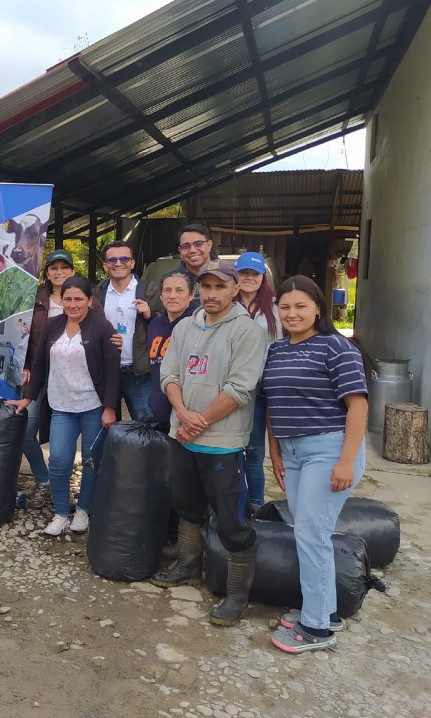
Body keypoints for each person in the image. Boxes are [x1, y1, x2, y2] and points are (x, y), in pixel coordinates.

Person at [152, 259, 264, 626]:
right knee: (187, 506)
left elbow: (240, 389)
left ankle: (236, 595)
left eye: (220, 287)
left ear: (235, 289)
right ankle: (187, 566)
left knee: (231, 519)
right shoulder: (186, 326)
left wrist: (198, 423)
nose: (212, 294)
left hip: (223, 443)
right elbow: (168, 373)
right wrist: (182, 413)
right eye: (207, 287)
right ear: (198, 289)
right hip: (183, 436)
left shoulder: (247, 331)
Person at [263, 275, 368, 654]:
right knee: (308, 531)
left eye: (300, 306)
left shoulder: (336, 348)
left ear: (318, 308)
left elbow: (358, 406)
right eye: (285, 307)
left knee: (310, 533)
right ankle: (324, 609)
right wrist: (274, 452)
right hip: (291, 453)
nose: (292, 314)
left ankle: (316, 629)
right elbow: (273, 404)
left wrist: (346, 461)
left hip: (329, 450)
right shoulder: (276, 350)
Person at [7, 276, 120, 536]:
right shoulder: (52, 325)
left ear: (89, 301)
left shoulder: (102, 328)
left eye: (79, 299)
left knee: (91, 461)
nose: (73, 304)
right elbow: (39, 366)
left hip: (93, 405)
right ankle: (60, 513)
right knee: (58, 459)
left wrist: (110, 407)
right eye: (68, 299)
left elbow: (113, 371)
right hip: (61, 406)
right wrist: (28, 397)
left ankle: (82, 509)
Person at [146, 270, 201, 559]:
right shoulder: (155, 324)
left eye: (180, 290)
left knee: (184, 480)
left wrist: (185, 414)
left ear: (192, 295)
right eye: (168, 290)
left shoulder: (196, 326)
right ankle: (164, 534)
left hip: (184, 415)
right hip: (160, 411)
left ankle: (185, 543)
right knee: (163, 476)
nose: (173, 296)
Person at [20, 248, 77, 510]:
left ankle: (61, 489)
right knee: (25, 432)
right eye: (54, 268)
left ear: (73, 272)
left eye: (64, 268)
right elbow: (23, 334)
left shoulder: (84, 299)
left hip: (71, 378)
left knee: (61, 437)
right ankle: (43, 480)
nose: (59, 272)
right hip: (39, 375)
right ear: (47, 273)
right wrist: (26, 364)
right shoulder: (37, 299)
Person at [234, 251, 281, 508]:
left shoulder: (275, 306)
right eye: (244, 273)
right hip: (233, 386)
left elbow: (282, 345)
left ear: (263, 276)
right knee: (232, 450)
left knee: (254, 451)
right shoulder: (228, 304)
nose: (248, 278)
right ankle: (234, 503)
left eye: (254, 274)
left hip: (262, 388)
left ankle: (255, 504)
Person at [95, 240, 154, 420]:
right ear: (105, 266)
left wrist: (150, 315)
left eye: (124, 258)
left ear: (132, 263)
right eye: (112, 260)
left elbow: (167, 325)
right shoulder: (99, 292)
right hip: (106, 371)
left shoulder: (149, 290)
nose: (118, 263)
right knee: (106, 427)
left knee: (146, 428)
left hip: (139, 373)